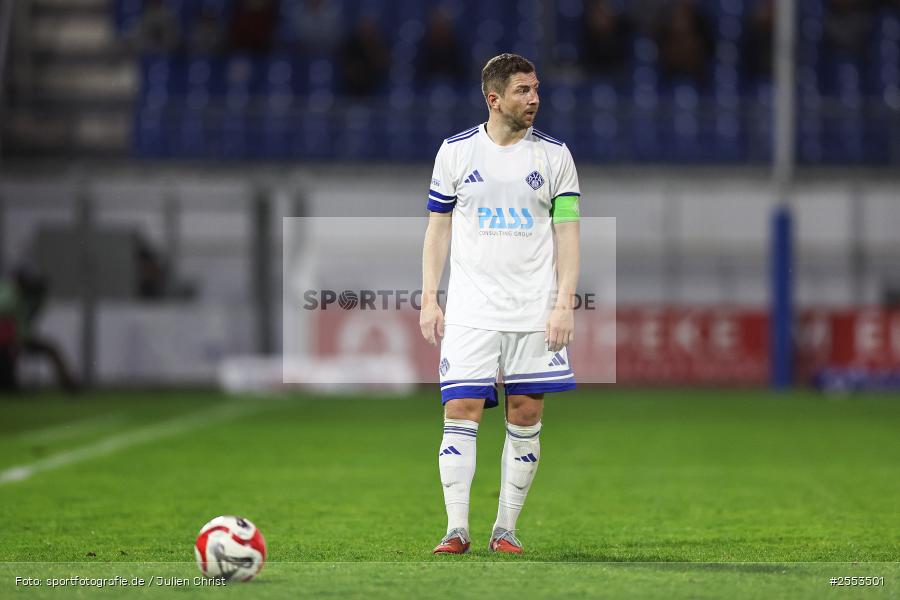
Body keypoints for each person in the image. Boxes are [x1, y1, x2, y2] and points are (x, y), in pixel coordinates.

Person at [419, 53, 581, 555]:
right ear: (494, 98)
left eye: (536, 89)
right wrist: (429, 297)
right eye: (523, 91)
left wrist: (563, 304)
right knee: (461, 409)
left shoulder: (555, 156)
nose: (534, 98)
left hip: (533, 313)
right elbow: (437, 231)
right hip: (471, 311)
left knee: (526, 414)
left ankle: (505, 528)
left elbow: (569, 234)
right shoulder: (455, 152)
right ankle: (456, 529)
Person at [0, 268, 79, 393]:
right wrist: (12, 342)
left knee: (52, 349)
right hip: (6, 340)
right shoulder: (7, 294)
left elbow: (33, 308)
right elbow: (6, 316)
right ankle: (11, 385)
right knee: (10, 355)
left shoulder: (30, 298)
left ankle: (69, 385)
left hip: (22, 338)